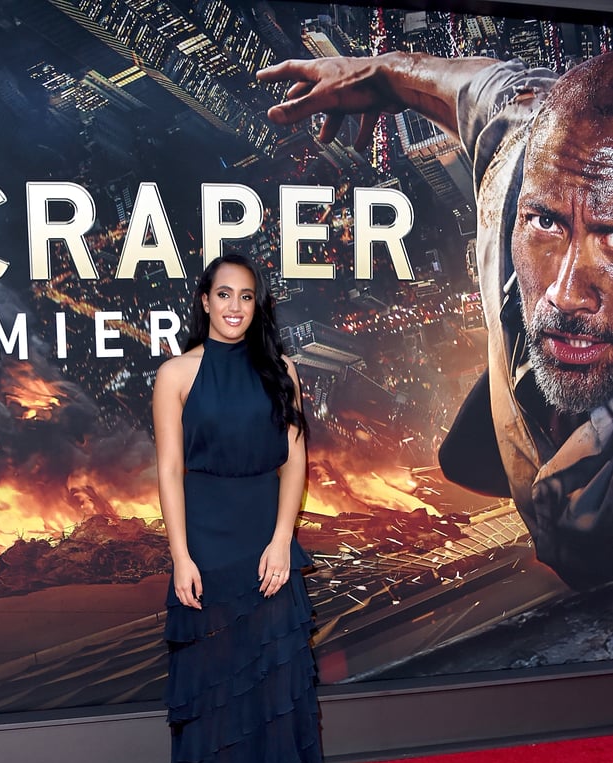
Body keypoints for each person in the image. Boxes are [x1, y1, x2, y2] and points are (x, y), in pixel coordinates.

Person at [257, 51, 613, 591]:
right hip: (526, 426)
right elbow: (485, 91)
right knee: (465, 455)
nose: (564, 294)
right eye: (546, 222)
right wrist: (380, 74)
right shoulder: (525, 162)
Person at [140, 253, 323, 763]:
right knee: (220, 681)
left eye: (246, 296)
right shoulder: (176, 375)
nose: (234, 307)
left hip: (264, 541)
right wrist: (180, 555)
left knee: (275, 678)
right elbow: (169, 470)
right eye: (224, 295)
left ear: (257, 304)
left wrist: (280, 540)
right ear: (204, 301)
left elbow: (294, 460)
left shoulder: (282, 370)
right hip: (207, 545)